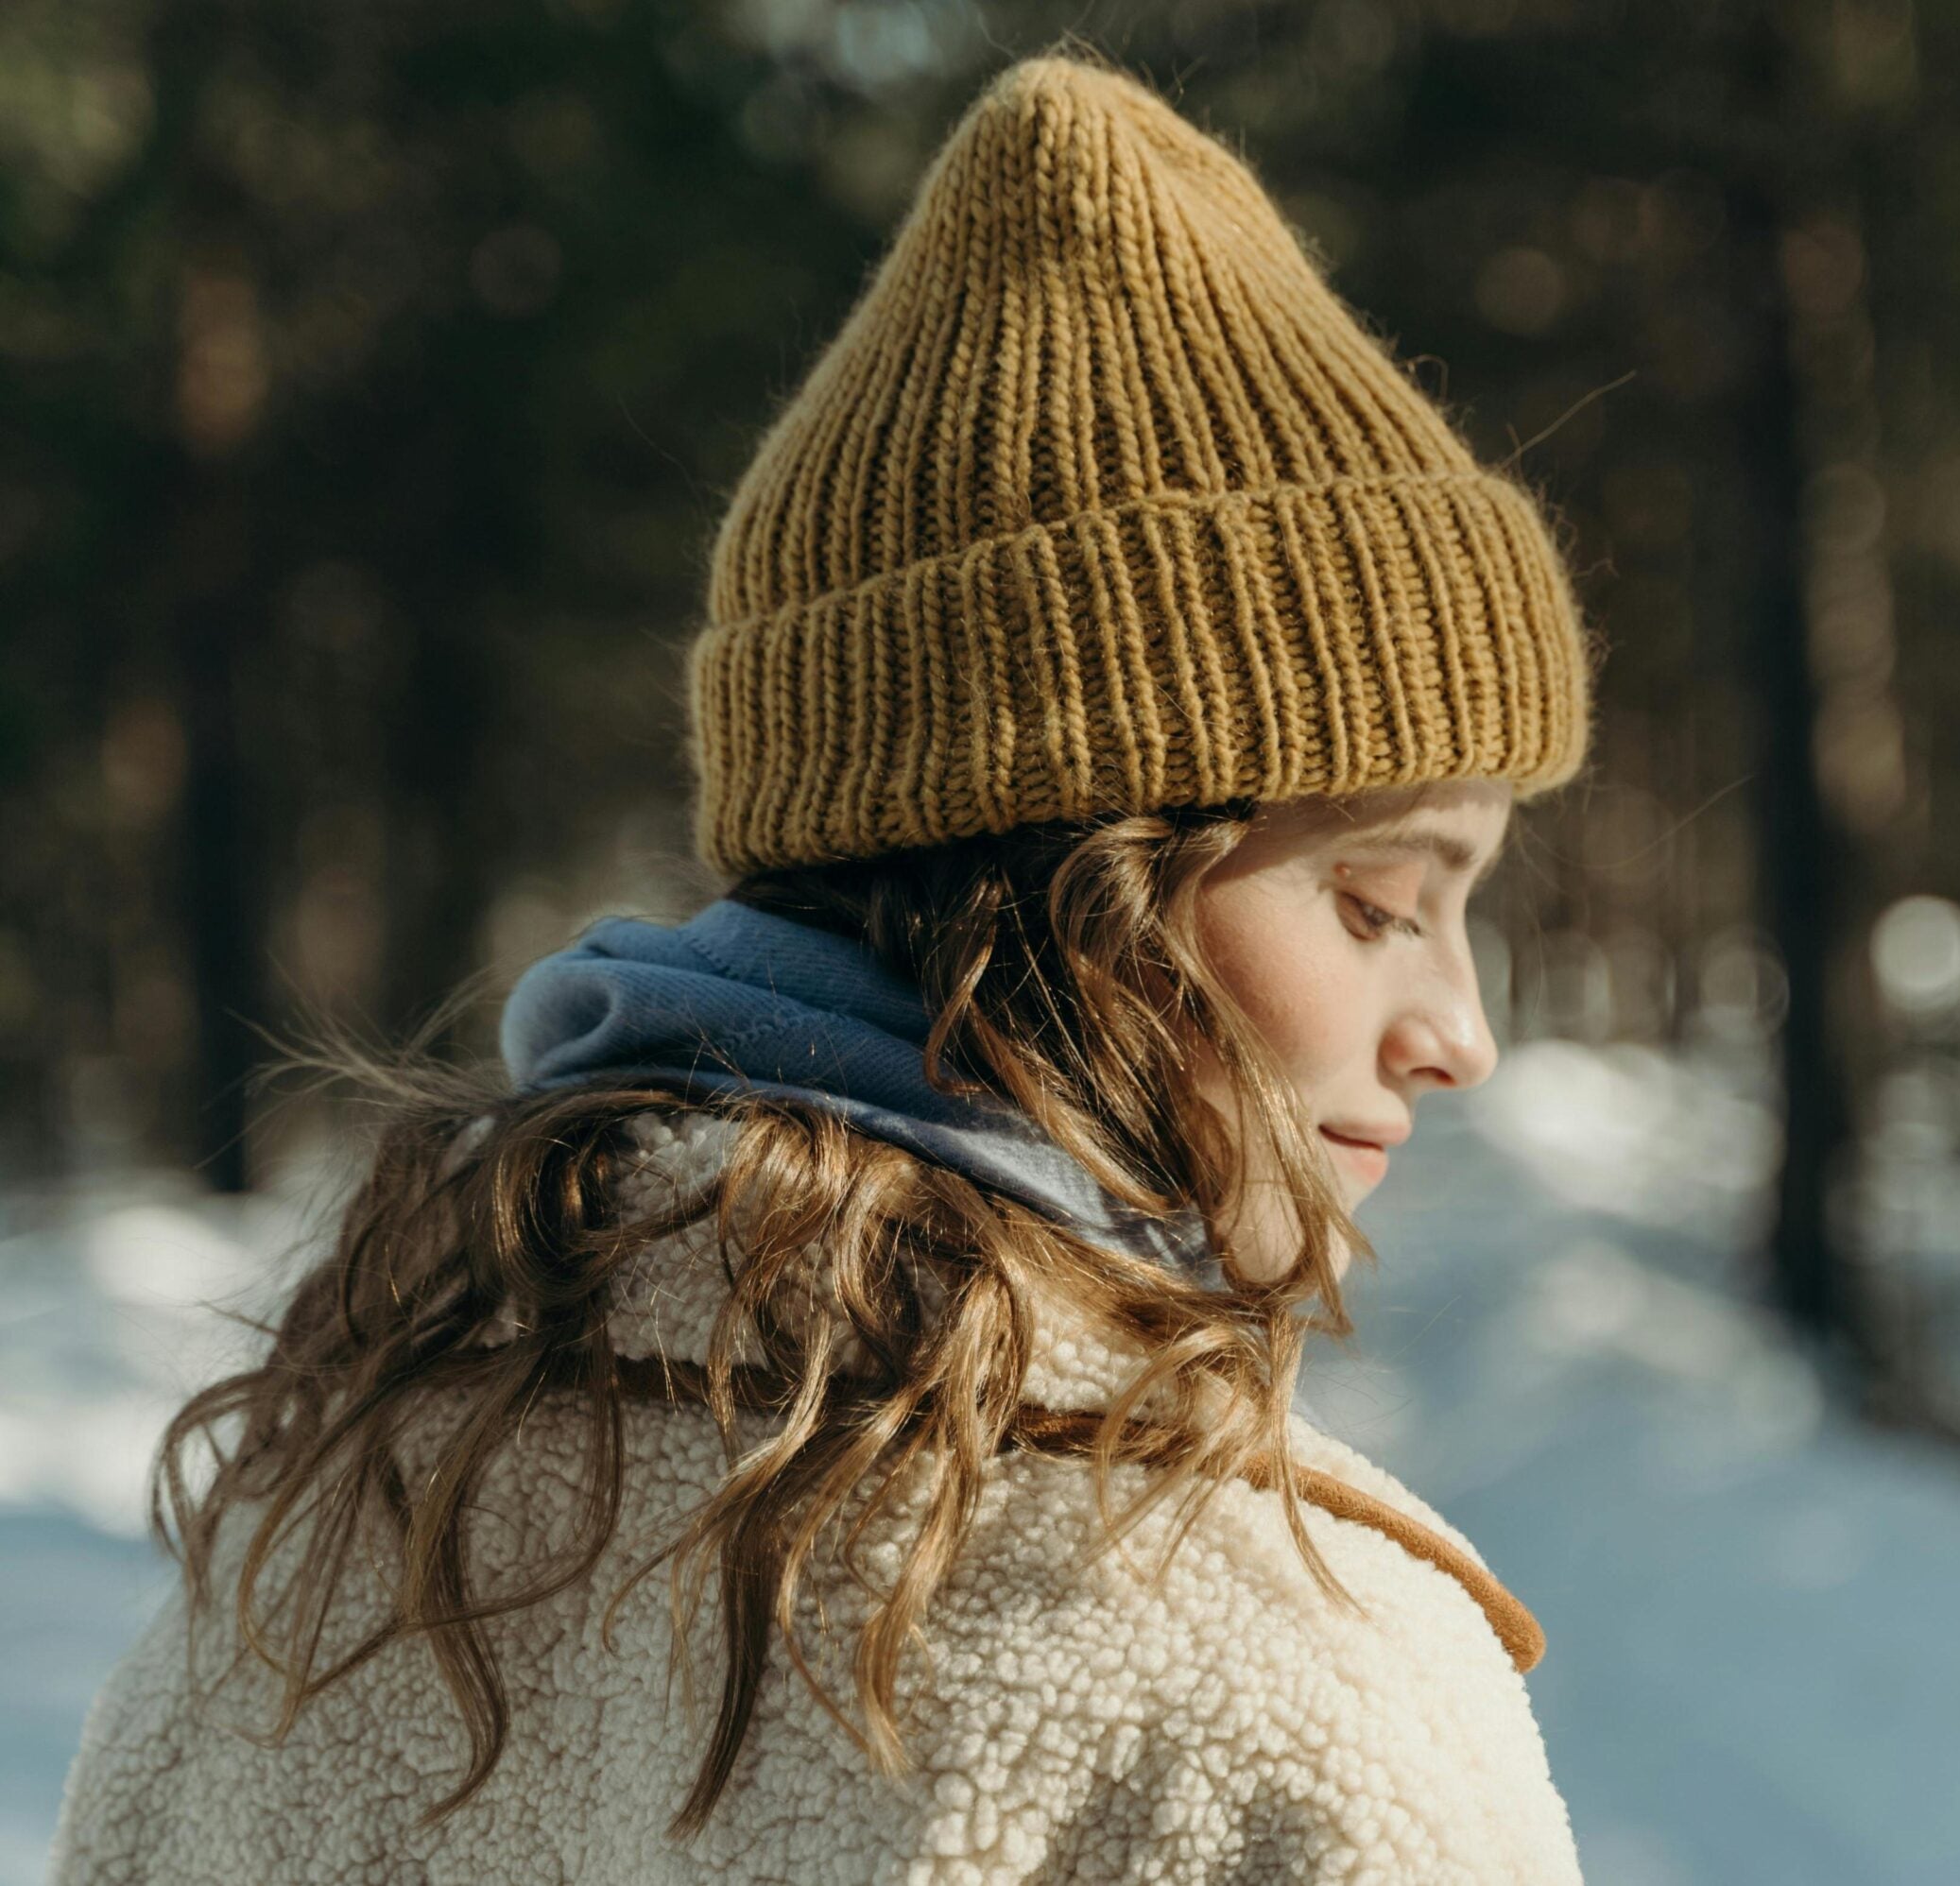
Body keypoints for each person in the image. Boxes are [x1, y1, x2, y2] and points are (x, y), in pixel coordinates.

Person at [49, 43, 1597, 1884]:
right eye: (1372, 898)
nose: (1458, 1033)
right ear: (1056, 874)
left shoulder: (312, 1570)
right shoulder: (1274, 1686)